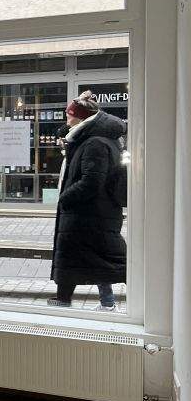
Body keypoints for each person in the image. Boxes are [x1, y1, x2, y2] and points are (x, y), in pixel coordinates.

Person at [48, 91, 127, 311]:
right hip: (92, 213)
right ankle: (67, 298)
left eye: (69, 114)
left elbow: (92, 181)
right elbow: (66, 131)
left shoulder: (95, 143)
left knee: (103, 257)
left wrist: (65, 198)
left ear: (80, 118)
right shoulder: (89, 136)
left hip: (90, 213)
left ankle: (74, 300)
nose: (66, 117)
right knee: (87, 255)